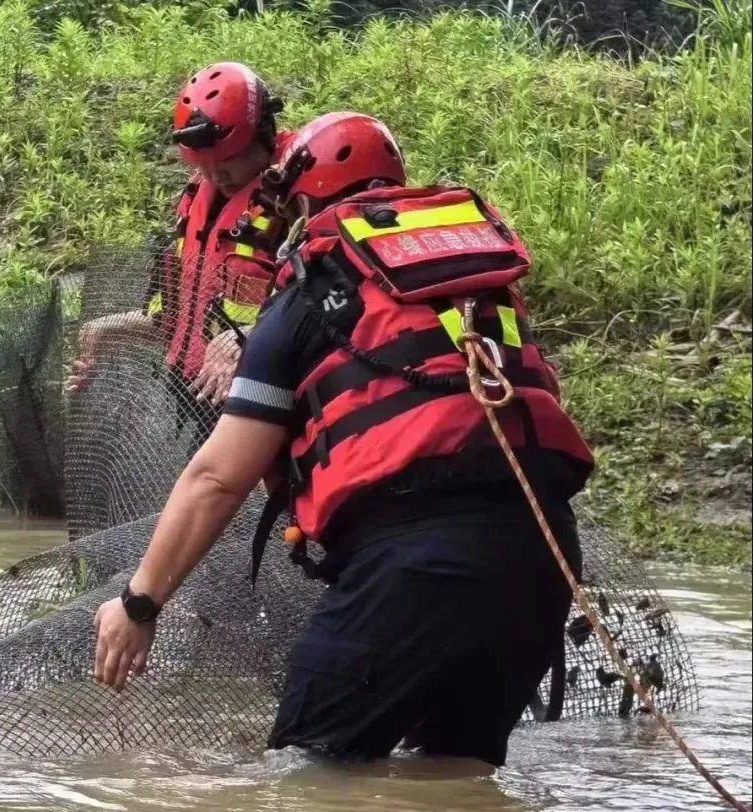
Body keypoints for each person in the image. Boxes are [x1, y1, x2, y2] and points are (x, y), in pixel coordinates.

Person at [92, 111, 596, 768]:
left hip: (415, 561)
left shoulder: (312, 286)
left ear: (308, 198)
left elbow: (219, 476)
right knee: (456, 773)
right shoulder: (475, 283)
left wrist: (139, 602)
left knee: (306, 777)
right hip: (543, 557)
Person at [67, 62, 293, 419]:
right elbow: (174, 319)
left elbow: (333, 315)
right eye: (204, 166)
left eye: (229, 160)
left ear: (264, 134)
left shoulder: (298, 201)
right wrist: (104, 330)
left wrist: (250, 337)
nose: (217, 176)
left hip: (265, 404)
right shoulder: (196, 202)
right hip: (201, 402)